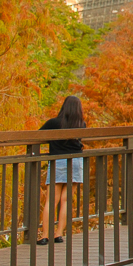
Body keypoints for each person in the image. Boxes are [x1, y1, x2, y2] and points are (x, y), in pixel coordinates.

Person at [38, 96, 86, 245]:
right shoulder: (81, 124)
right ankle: (58, 234)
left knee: (51, 200)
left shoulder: (54, 123)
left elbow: (37, 134)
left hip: (58, 161)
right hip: (76, 162)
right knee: (66, 201)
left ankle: (45, 235)